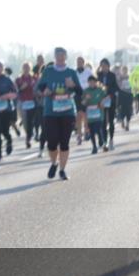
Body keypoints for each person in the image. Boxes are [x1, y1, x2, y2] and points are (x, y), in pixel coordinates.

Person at [36, 47, 82, 180]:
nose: (60, 57)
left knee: (64, 143)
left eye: (62, 55)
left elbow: (79, 91)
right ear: (55, 57)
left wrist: (72, 86)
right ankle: (54, 163)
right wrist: (44, 91)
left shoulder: (71, 72)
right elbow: (39, 87)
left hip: (67, 112)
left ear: (66, 56)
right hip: (50, 112)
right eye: (58, 55)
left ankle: (62, 170)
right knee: (51, 143)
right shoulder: (48, 71)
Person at [96, 58, 120, 151]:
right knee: (102, 121)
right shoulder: (98, 75)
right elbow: (96, 87)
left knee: (110, 120)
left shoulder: (112, 75)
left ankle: (111, 139)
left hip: (110, 100)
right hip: (101, 101)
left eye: (105, 66)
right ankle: (104, 141)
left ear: (108, 66)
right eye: (102, 66)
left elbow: (116, 88)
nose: (103, 67)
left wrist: (109, 95)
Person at [81, 75, 108, 153]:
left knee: (99, 129)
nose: (92, 84)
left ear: (96, 82)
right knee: (92, 131)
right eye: (90, 82)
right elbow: (83, 103)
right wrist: (86, 99)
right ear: (88, 83)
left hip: (99, 114)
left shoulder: (100, 90)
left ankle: (101, 140)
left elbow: (106, 98)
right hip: (90, 116)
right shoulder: (86, 91)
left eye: (93, 82)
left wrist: (102, 102)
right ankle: (94, 147)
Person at [15, 62, 39, 149]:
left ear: (30, 68)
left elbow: (38, 88)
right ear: (22, 68)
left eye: (28, 67)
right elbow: (15, 91)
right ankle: (28, 135)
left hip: (33, 102)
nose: (26, 69)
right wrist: (21, 88)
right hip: (22, 102)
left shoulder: (34, 78)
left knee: (32, 121)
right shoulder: (18, 79)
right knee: (25, 121)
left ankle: (28, 138)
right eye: (24, 67)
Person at [74, 56, 93, 145]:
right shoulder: (74, 72)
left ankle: (86, 131)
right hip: (77, 95)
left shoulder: (88, 71)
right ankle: (79, 135)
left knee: (85, 114)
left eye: (81, 62)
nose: (79, 63)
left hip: (86, 94)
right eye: (78, 62)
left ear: (83, 63)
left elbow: (92, 81)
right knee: (79, 115)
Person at [117, 65, 134, 131]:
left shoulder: (130, 76)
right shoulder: (119, 77)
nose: (124, 71)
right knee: (121, 109)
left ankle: (127, 124)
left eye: (125, 70)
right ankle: (122, 121)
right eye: (123, 70)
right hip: (122, 94)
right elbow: (118, 85)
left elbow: (133, 84)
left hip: (129, 94)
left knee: (128, 110)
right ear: (121, 70)